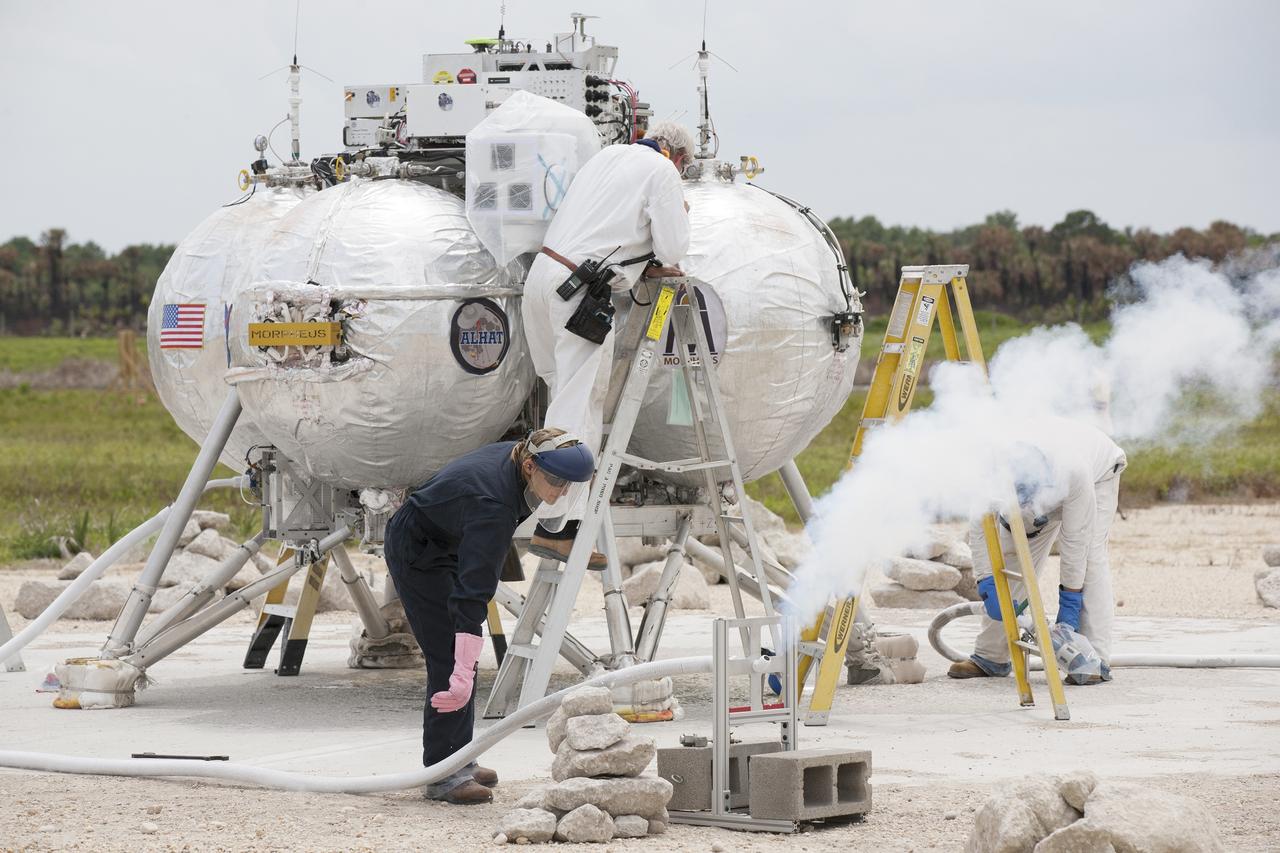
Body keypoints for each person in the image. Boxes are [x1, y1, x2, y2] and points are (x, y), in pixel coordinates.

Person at [384, 429, 594, 804]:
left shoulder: (520, 460)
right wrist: (463, 667)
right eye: (558, 481)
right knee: (451, 657)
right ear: (530, 466)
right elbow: (472, 593)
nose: (563, 491)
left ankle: (460, 755)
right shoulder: (493, 503)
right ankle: (444, 774)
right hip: (418, 549)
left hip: (448, 536)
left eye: (572, 485)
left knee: (460, 657)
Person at [520, 122, 694, 567]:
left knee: (561, 397)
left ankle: (561, 516)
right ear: (677, 155)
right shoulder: (662, 171)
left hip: (541, 279)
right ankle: (554, 524)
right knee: (581, 406)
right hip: (580, 291)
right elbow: (674, 246)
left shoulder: (604, 157)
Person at [948, 417, 1126, 684]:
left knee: (1090, 557)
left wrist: (1069, 603)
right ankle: (991, 657)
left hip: (1098, 475)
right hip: (1038, 488)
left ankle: (1092, 661)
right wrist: (986, 581)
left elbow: (1075, 542)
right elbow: (980, 527)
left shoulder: (1073, 471)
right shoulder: (994, 466)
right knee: (1009, 557)